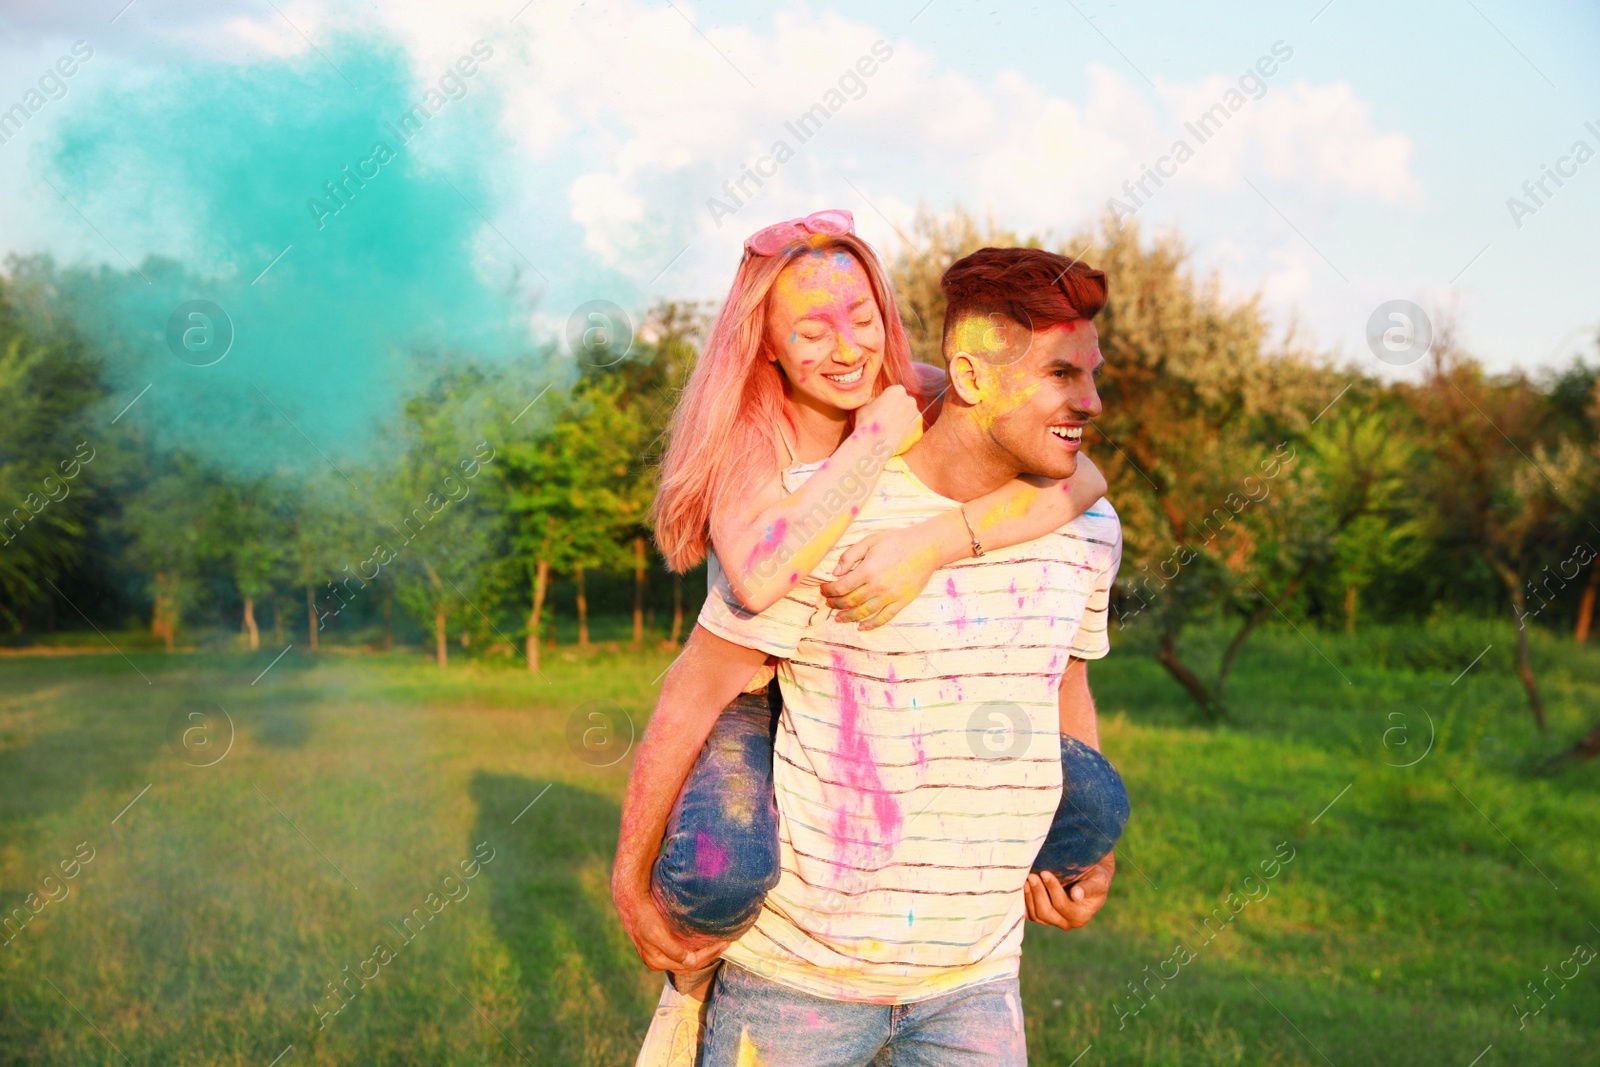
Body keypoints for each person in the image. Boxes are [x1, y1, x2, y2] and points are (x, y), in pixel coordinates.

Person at [614, 240, 1128, 1065]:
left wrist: (1082, 848)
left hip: (976, 977)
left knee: (1104, 798)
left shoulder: (1085, 526)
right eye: (1064, 376)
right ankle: (693, 978)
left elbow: (1064, 686)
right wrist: (631, 884)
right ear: (972, 378)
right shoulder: (809, 503)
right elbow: (692, 689)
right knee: (724, 860)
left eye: (1092, 373)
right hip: (797, 979)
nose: (1093, 401)